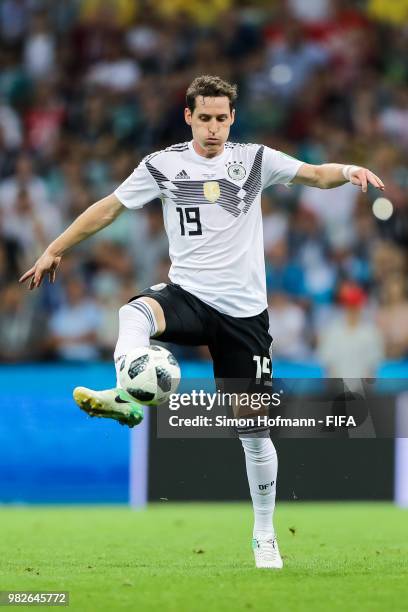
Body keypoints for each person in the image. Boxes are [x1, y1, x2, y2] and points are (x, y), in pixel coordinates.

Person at [20, 75, 385, 570]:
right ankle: (127, 388)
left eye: (221, 118)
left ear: (232, 118)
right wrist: (53, 249)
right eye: (204, 117)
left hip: (244, 316)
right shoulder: (163, 165)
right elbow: (107, 209)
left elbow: (316, 175)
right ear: (187, 116)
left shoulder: (255, 160)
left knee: (254, 432)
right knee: (133, 312)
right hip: (190, 294)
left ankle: (264, 535)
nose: (213, 127)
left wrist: (349, 169)